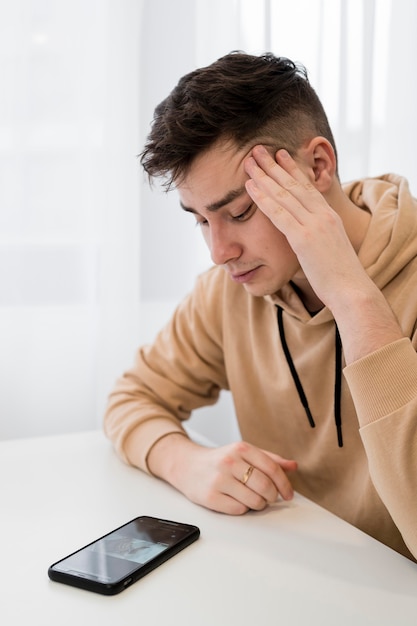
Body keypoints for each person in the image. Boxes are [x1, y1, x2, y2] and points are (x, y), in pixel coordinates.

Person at [104, 51, 417, 561]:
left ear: (318, 167)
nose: (218, 251)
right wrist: (187, 463)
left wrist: (352, 295)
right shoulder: (229, 289)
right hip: (286, 574)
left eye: (240, 211)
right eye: (201, 220)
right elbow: (132, 397)